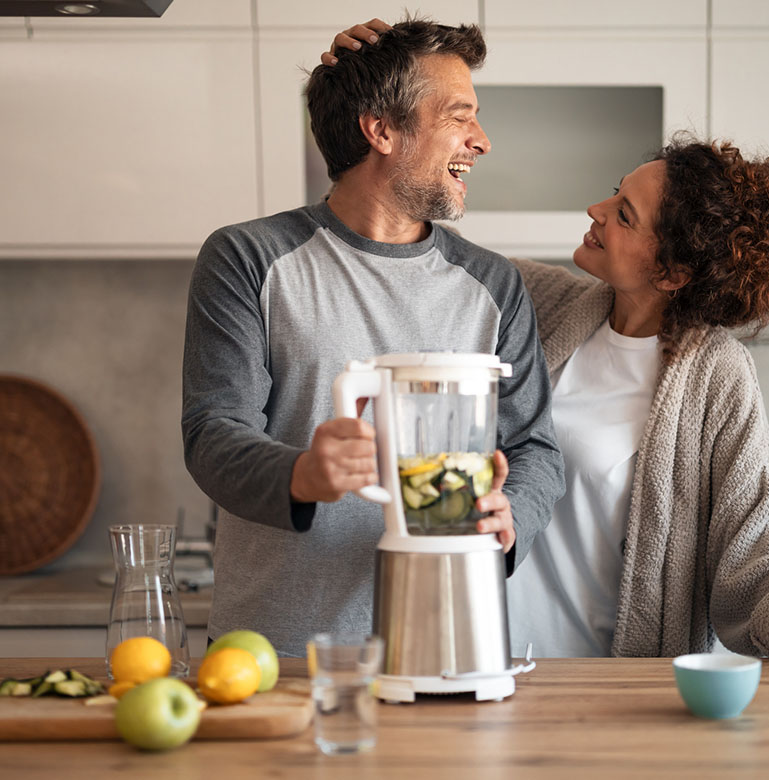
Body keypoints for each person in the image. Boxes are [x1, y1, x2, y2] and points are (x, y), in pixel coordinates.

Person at [325, 24, 769, 680]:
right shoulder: (541, 301)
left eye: (625, 214)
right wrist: (358, 88)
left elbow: (762, 533)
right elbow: (403, 245)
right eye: (615, 190)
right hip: (486, 663)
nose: (596, 209)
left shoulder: (716, 375)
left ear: (673, 272)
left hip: (612, 680)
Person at [182, 18, 565, 658]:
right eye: (459, 117)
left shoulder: (494, 283)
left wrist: (512, 515)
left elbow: (534, 448)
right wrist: (303, 472)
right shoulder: (247, 258)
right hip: (275, 656)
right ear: (381, 129)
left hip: (449, 645)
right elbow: (212, 434)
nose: (481, 141)